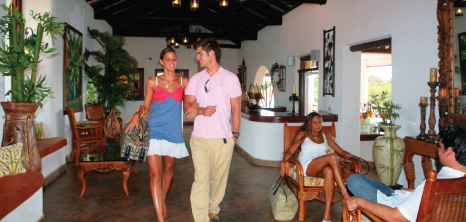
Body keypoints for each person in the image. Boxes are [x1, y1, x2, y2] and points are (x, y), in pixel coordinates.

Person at [125, 47, 196, 222]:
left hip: (173, 132)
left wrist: (196, 105)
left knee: (168, 169)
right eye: (168, 59)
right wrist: (137, 114)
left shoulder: (184, 82)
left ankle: (161, 199)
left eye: (174, 59)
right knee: (155, 174)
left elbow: (192, 100)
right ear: (161, 62)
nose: (172, 62)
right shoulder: (152, 82)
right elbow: (146, 106)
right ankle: (160, 218)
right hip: (154, 130)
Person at [346, 126, 466, 221]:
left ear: (449, 151)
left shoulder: (436, 183)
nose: (437, 150)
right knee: (387, 188)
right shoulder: (457, 179)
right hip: (404, 197)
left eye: (440, 147)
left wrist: (359, 201)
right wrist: (411, 190)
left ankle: (390, 192)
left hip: (393, 207)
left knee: (354, 180)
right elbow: (431, 195)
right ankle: (391, 191)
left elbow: (395, 217)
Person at [183, 37, 242, 222]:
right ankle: (201, 219)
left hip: (223, 139)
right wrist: (200, 109)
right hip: (199, 139)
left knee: (218, 181)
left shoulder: (231, 78)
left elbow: (236, 108)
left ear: (211, 54)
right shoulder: (195, 79)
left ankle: (212, 210)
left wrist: (235, 135)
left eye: (200, 53)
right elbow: (187, 105)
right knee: (201, 180)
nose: (197, 57)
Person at [279, 112, 358, 222]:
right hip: (308, 166)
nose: (317, 125)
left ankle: (327, 215)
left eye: (319, 122)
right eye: (314, 123)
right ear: (309, 124)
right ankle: (345, 194)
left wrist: (356, 157)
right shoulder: (303, 134)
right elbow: (290, 151)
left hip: (322, 167)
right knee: (332, 158)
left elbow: (342, 151)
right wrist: (283, 162)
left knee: (329, 171)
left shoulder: (326, 137)